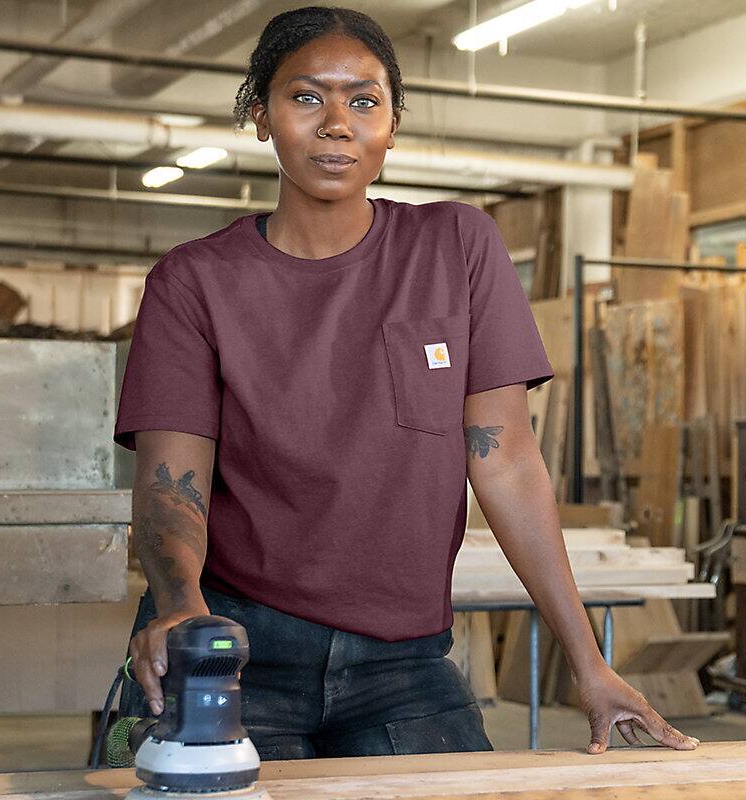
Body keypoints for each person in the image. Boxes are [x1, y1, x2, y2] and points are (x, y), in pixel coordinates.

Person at [114, 5, 699, 759]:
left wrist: (589, 662)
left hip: (403, 663)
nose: (337, 124)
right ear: (260, 115)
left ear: (392, 125)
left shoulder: (456, 248)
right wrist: (182, 614)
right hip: (239, 646)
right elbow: (172, 486)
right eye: (306, 97)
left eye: (364, 101)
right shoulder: (194, 281)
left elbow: (507, 461)